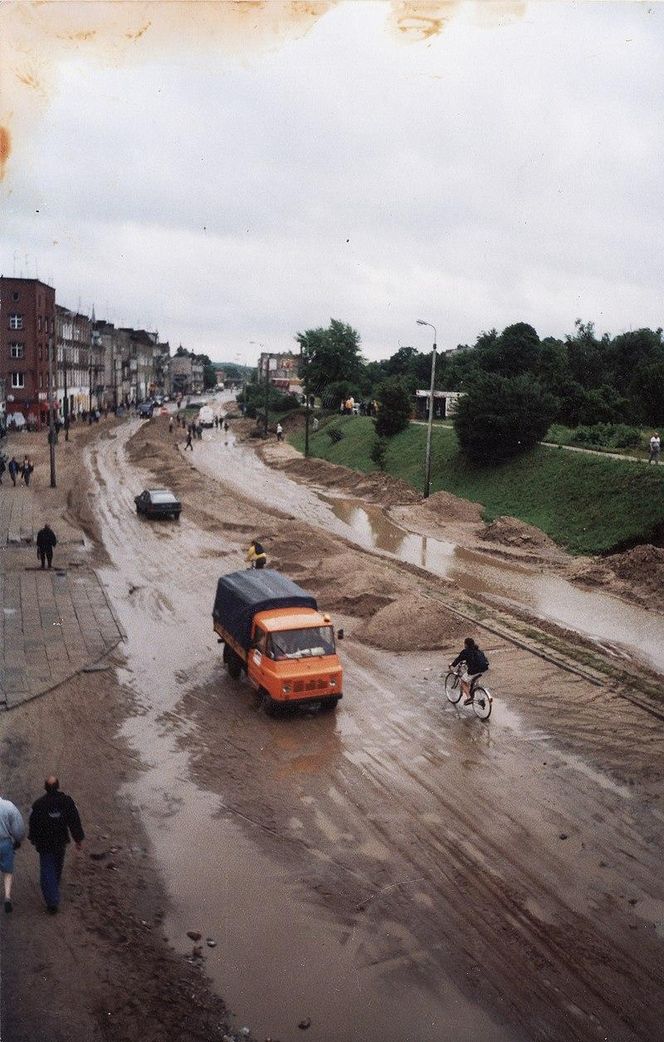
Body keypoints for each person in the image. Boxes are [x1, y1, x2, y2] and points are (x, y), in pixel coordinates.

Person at [28, 776, 84, 914]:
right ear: (58, 786)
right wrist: (78, 839)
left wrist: (33, 839)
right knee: (57, 865)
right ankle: (54, 888)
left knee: (47, 870)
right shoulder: (66, 802)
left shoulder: (38, 805)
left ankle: (52, 899)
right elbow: (74, 821)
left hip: (45, 844)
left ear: (45, 787)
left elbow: (33, 824)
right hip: (60, 842)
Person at [0, 794, 26, 913]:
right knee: (7, 872)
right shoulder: (9, 806)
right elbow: (18, 827)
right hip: (5, 843)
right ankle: (7, 896)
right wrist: (18, 839)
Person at [449, 637, 489, 705]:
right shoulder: (479, 651)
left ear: (466, 644)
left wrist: (452, 665)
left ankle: (468, 697)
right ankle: (476, 692)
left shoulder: (466, 651)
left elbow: (458, 659)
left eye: (464, 644)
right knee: (472, 679)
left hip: (474, 670)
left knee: (463, 681)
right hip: (483, 669)